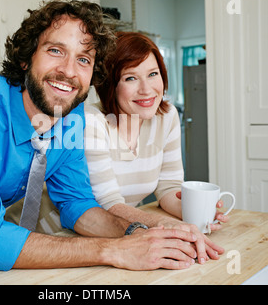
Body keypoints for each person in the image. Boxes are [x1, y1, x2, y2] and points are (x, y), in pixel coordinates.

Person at [0, 0, 218, 285]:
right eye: (55, 51)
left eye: (83, 59)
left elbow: (78, 205)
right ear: (25, 56)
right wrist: (112, 250)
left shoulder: (72, 117)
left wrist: (138, 233)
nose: (68, 70)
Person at [84, 32, 228, 263]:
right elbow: (107, 203)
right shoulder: (91, 121)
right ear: (109, 84)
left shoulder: (166, 116)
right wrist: (169, 226)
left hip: (119, 234)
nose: (147, 89)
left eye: (153, 74)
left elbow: (168, 188)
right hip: (63, 236)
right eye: (130, 78)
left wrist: (195, 215)